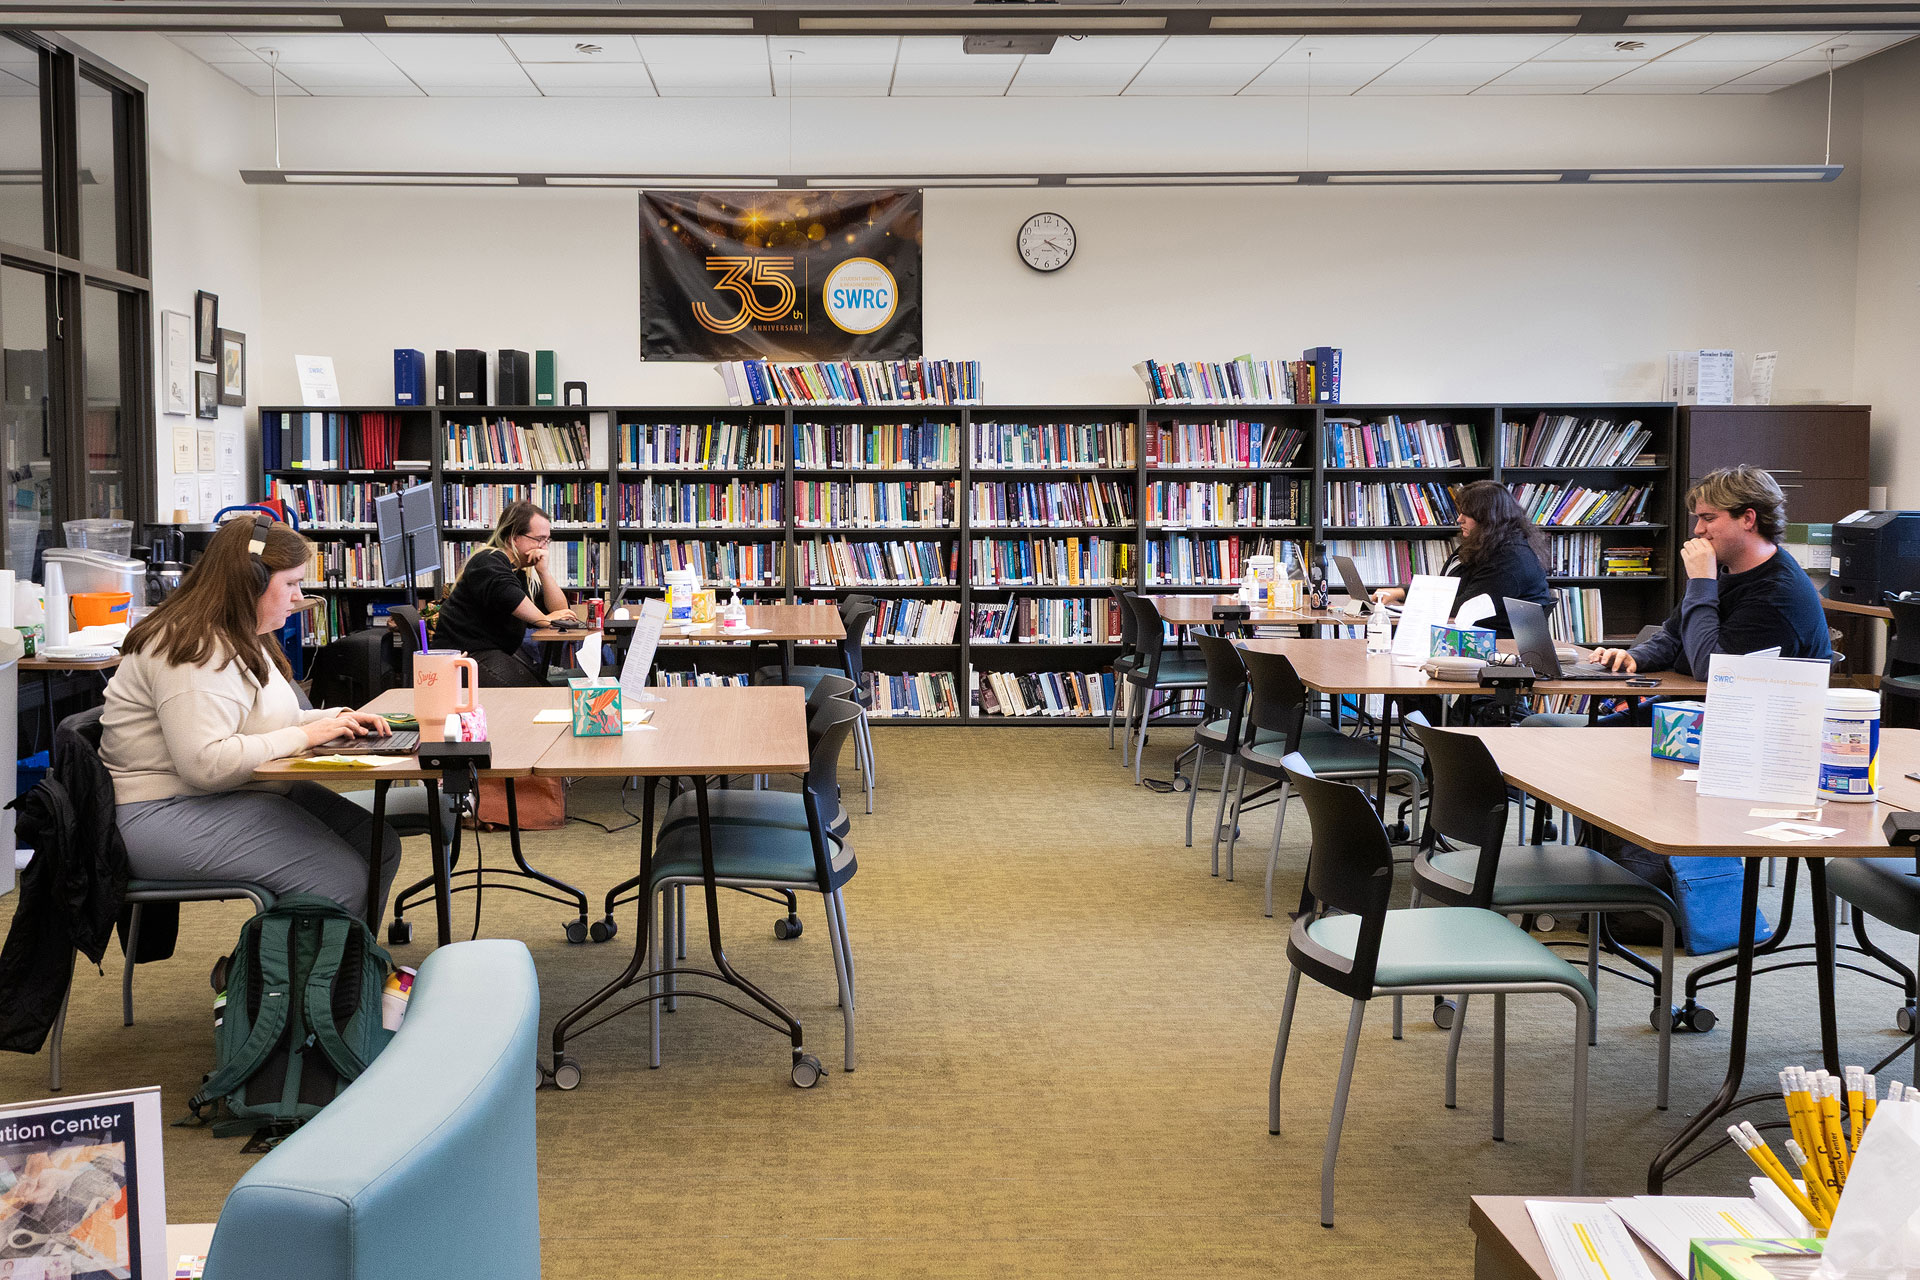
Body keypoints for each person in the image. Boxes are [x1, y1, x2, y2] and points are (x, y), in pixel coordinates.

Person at [101, 514, 402, 919]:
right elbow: (206, 764)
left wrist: (329, 721)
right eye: (291, 583)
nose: (298, 597)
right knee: (337, 879)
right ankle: (280, 979)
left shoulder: (241, 633)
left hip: (221, 796)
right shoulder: (193, 649)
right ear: (252, 580)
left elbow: (262, 719)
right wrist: (306, 737)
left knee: (376, 845)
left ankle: (342, 972)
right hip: (160, 812)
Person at [1590, 464, 1831, 675]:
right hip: (1696, 705)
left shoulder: (1778, 593)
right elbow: (1675, 636)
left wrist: (1702, 582)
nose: (1698, 529)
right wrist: (1636, 657)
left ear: (1748, 519)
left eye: (1708, 518)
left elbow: (1711, 669)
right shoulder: (1720, 566)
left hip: (1747, 721)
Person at [1371, 479, 1553, 638]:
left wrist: (1412, 601)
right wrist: (1401, 592)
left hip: (1499, 648)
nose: (1459, 519)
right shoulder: (1485, 544)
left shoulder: (1511, 559)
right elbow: (1448, 589)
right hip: (1473, 638)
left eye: (1467, 514)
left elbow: (1465, 606)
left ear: (1488, 518)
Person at [429, 499, 578, 688]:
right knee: (538, 696)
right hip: (464, 658)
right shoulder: (489, 560)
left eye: (546, 540)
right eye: (539, 539)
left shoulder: (518, 574)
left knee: (545, 688)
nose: (544, 547)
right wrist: (546, 620)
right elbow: (508, 597)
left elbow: (560, 610)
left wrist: (544, 572)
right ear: (513, 538)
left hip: (488, 654)